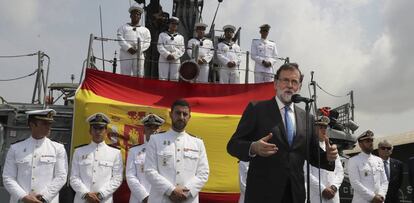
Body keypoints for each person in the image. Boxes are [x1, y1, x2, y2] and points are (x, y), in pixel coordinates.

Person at [227, 63, 338, 203]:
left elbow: (312, 154)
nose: (290, 85)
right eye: (285, 80)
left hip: (294, 195)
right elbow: (233, 145)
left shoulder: (307, 117)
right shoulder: (256, 109)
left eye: (294, 81)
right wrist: (253, 147)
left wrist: (328, 156)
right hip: (263, 195)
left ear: (299, 87)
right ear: (275, 83)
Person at [144, 99, 209, 203]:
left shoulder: (197, 143)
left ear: (189, 117)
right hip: (161, 199)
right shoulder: (155, 140)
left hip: (188, 199)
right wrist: (171, 190)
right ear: (170, 114)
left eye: (185, 114)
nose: (181, 117)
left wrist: (186, 192)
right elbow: (149, 170)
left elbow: (203, 173)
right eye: (178, 113)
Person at [2, 109, 68, 203]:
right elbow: (8, 177)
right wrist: (24, 196)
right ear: (32, 124)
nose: (49, 127)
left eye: (50, 124)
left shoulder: (58, 148)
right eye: (45, 123)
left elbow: (61, 176)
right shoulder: (15, 148)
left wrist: (44, 197)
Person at [70, 113, 123, 203]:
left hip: (104, 200)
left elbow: (117, 178)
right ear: (90, 131)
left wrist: (101, 194)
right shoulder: (79, 151)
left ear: (106, 131)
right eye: (95, 128)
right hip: (82, 199)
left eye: (101, 128)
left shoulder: (115, 153)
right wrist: (86, 194)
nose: (98, 132)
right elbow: (73, 177)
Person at [126, 113, 165, 203]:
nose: (153, 130)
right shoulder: (134, 151)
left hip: (161, 199)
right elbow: (130, 176)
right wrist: (144, 196)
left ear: (160, 129)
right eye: (149, 127)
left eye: (156, 127)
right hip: (139, 199)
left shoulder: (167, 151)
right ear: (144, 130)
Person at [306, 116, 344, 203]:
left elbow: (340, 172)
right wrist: (322, 189)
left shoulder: (331, 148)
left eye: (325, 127)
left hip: (333, 197)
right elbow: (306, 173)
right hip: (316, 196)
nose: (324, 130)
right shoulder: (307, 148)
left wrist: (334, 187)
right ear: (313, 128)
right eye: (320, 127)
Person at [348, 130, 388, 203]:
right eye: (367, 141)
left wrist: (381, 195)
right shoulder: (353, 160)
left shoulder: (379, 160)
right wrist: (372, 197)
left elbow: (384, 181)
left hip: (379, 200)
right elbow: (355, 183)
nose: (371, 143)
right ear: (360, 144)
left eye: (371, 140)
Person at [117, 6, 151, 77]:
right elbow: (120, 38)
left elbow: (147, 42)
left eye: (138, 14)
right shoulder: (123, 27)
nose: (135, 15)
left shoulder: (145, 30)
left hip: (139, 54)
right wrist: (128, 48)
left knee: (139, 74)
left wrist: (139, 49)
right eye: (134, 14)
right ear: (130, 16)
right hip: (126, 53)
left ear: (140, 17)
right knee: (125, 74)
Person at [157, 17, 185, 81]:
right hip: (164, 58)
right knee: (162, 77)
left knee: (174, 78)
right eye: (172, 23)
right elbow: (159, 46)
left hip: (175, 58)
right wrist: (167, 54)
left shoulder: (180, 37)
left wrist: (174, 55)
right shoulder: (162, 35)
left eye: (176, 24)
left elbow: (182, 49)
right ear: (169, 24)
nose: (174, 25)